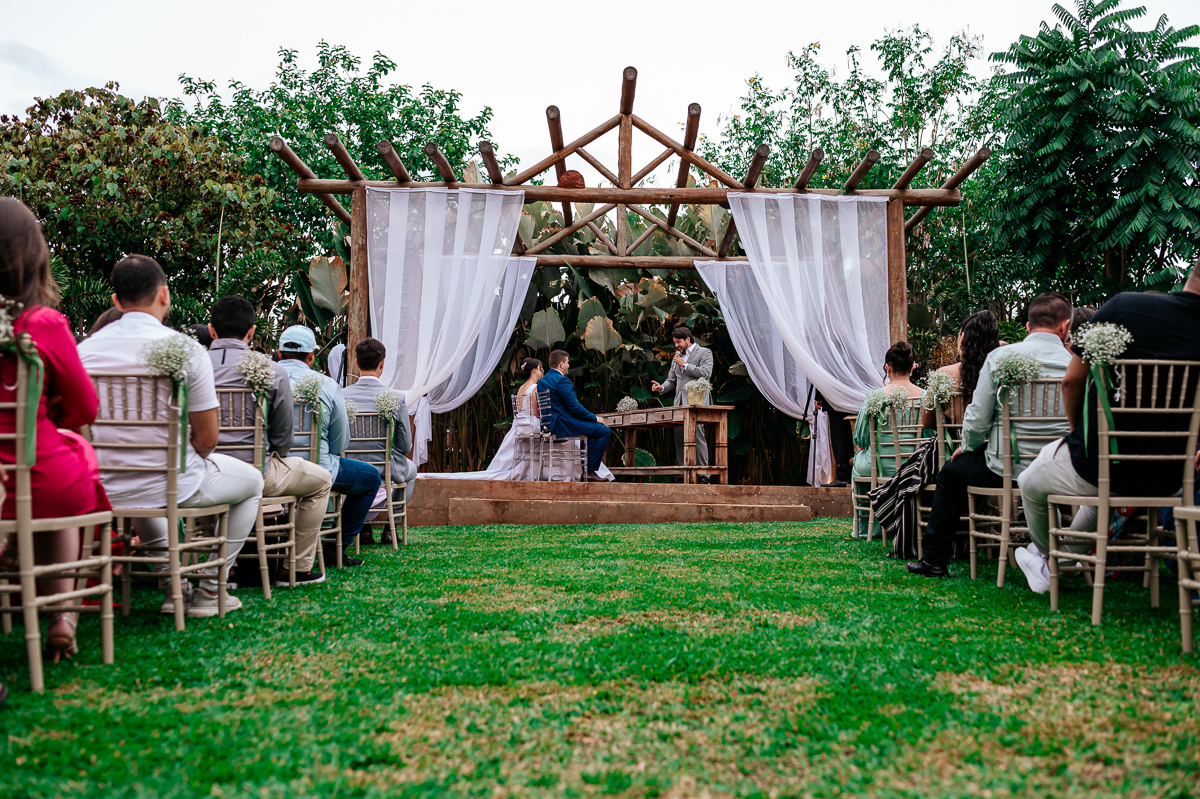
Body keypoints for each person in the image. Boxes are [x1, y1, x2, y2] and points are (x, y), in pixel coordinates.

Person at [78, 255, 264, 616]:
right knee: (252, 481)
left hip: (102, 483)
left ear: (115, 301)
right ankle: (211, 588)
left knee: (145, 484)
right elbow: (208, 439)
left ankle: (173, 586)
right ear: (165, 295)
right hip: (169, 482)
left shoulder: (83, 352)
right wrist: (185, 456)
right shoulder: (185, 351)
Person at [1015, 263, 1200, 593]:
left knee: (1029, 481)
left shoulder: (1125, 306)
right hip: (1174, 477)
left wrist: (1076, 437)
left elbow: (1072, 382)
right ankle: (1055, 565)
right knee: (1097, 499)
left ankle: (1048, 562)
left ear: (1192, 275)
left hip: (1102, 463)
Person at [0, 198, 111, 662]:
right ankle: (62, 615)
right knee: (74, 464)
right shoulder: (41, 323)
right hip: (39, 476)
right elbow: (84, 406)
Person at [908, 293, 1073, 578]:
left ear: (1027, 327)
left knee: (949, 474)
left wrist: (968, 446)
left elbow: (978, 416)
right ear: (1065, 326)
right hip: (1061, 468)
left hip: (1005, 469)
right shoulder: (1076, 362)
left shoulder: (1001, 357)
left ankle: (934, 560)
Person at [207, 296, 333, 585]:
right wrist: (276, 452)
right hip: (256, 473)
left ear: (211, 330)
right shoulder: (270, 371)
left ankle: (221, 567)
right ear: (251, 332)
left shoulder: (191, 367)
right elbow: (282, 437)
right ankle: (296, 569)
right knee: (322, 480)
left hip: (200, 471)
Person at [275, 325, 381, 566]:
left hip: (273, 469)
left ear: (279, 354)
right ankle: (335, 549)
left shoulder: (262, 380)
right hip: (319, 469)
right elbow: (340, 442)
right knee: (371, 478)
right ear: (312, 355)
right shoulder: (327, 385)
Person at [341, 338, 417, 540]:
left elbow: (337, 440)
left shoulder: (341, 395)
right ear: (382, 363)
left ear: (356, 363)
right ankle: (390, 530)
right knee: (412, 470)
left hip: (351, 468)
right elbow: (405, 445)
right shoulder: (396, 398)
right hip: (386, 469)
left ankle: (363, 527)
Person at [851, 342, 925, 538]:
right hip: (915, 467)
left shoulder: (876, 397)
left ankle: (870, 527)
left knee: (860, 460)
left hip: (879, 465)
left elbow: (860, 437)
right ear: (912, 367)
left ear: (888, 368)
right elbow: (930, 436)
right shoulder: (924, 397)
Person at [919, 310, 1002, 431]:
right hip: (993, 447)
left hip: (950, 448)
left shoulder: (943, 374)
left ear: (962, 338)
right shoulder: (1001, 373)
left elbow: (927, 422)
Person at [650, 326, 714, 482]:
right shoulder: (676, 356)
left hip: (697, 402)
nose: (676, 346)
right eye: (674, 343)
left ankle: (704, 475)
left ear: (687, 339)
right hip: (679, 403)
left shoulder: (705, 353)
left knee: (698, 436)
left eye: (678, 342)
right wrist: (662, 387)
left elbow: (706, 373)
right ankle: (684, 474)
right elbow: (672, 379)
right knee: (679, 438)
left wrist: (684, 365)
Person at [538, 349, 612, 481]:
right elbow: (575, 408)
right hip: (564, 424)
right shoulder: (562, 380)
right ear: (561, 364)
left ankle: (587, 470)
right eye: (567, 363)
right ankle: (589, 471)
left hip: (550, 424)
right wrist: (596, 418)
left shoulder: (542, 381)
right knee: (604, 431)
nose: (568, 366)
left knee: (591, 433)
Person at [814, 388, 853, 487]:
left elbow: (824, 372)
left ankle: (844, 475)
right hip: (856, 393)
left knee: (839, 437)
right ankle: (851, 473)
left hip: (835, 394)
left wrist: (819, 396)